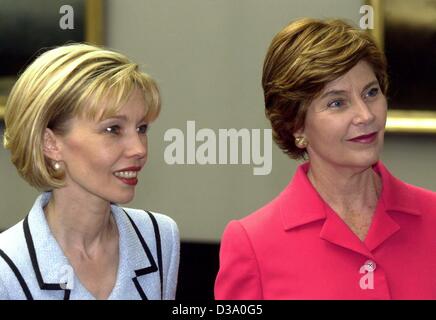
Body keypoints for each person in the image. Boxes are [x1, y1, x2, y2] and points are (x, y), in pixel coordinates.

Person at [215, 18, 436, 299]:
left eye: (371, 93)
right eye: (337, 102)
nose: (366, 115)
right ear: (296, 124)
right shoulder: (252, 244)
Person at [0, 43, 180, 300]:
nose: (139, 148)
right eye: (112, 129)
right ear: (50, 143)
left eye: (141, 128)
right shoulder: (7, 270)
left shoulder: (158, 237)